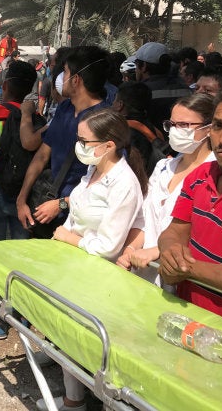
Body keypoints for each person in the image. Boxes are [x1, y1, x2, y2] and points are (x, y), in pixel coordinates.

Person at [41, 108, 146, 411]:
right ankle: (73, 396)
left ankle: (77, 402)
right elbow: (77, 214)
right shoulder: (93, 170)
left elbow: (108, 245)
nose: (80, 146)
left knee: (81, 339)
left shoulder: (124, 183)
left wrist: (67, 237)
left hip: (99, 275)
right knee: (66, 334)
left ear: (109, 144)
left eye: (84, 141)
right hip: (75, 267)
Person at [118, 94, 216, 285]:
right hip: (142, 272)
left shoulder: (215, 176)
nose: (176, 131)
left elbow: (200, 233)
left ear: (209, 129)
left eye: (184, 125)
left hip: (180, 279)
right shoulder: (163, 167)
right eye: (171, 125)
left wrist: (156, 251)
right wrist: (130, 249)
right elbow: (144, 218)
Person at [16, 46, 111, 239]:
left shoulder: (105, 121)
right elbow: (42, 155)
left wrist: (61, 203)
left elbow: (108, 184)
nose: (60, 77)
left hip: (80, 222)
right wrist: (22, 199)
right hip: (47, 210)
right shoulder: (65, 108)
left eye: (65, 71)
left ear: (76, 80)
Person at [157, 87, 222, 321]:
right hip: (185, 318)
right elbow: (174, 231)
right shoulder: (200, 176)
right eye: (219, 126)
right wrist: (170, 251)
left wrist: (186, 268)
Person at [0, 60, 44, 243]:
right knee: (19, 255)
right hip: (22, 197)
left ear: (4, 86)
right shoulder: (35, 121)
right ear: (29, 90)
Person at [131, 42, 192, 130]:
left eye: (136, 65)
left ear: (143, 66)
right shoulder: (186, 89)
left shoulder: (138, 92)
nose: (136, 70)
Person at [111, 81, 165, 175]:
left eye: (114, 100)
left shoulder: (122, 133)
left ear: (120, 105)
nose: (112, 104)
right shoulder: (154, 130)